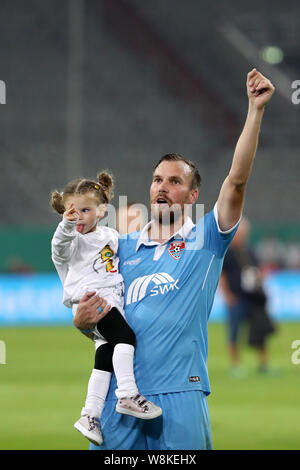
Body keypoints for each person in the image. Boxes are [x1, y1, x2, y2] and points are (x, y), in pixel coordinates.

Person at [73, 68, 275, 450]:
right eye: (157, 180)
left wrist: (255, 110)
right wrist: (83, 323)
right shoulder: (119, 248)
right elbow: (101, 319)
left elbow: (235, 182)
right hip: (121, 400)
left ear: (193, 196)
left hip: (181, 394)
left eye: (174, 181)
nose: (162, 187)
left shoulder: (206, 239)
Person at [50, 172, 162, 447]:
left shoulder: (109, 235)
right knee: (127, 338)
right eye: (72, 212)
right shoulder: (72, 241)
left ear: (102, 211)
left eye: (85, 210)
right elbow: (58, 248)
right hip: (95, 303)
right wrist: (65, 226)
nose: (79, 217)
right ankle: (127, 394)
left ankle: (90, 415)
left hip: (112, 301)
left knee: (104, 360)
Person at [220, 217, 276, 376]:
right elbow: (222, 276)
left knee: (260, 330)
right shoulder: (227, 253)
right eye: (240, 233)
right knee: (234, 332)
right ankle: (235, 366)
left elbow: (260, 270)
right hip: (236, 298)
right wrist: (228, 295)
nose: (242, 236)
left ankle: (263, 364)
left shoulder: (250, 251)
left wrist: (259, 278)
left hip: (252, 299)